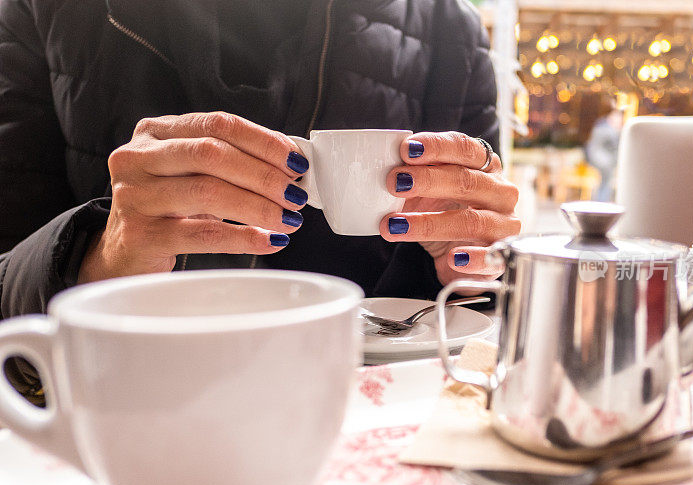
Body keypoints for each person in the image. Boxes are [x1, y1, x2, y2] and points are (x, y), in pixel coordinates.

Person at [0, 1, 519, 398]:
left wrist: (472, 267)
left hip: (367, 432)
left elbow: (482, 303)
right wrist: (98, 258)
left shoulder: (446, 26)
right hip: (128, 417)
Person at [585, 108, 624, 202]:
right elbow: (614, 146)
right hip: (603, 161)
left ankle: (600, 202)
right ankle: (601, 203)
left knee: (604, 183)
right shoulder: (606, 130)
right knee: (606, 183)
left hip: (601, 160)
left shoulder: (601, 127)